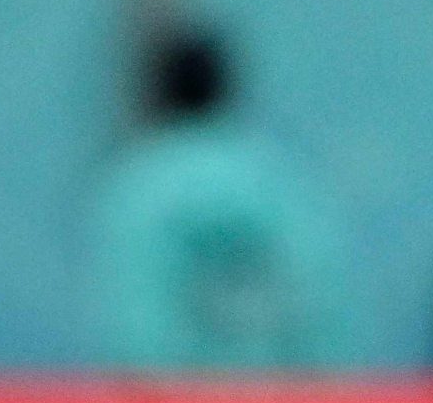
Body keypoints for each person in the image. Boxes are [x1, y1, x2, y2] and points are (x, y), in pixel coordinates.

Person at [92, 31, 352, 374]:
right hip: (275, 401)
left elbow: (132, 319)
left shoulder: (135, 188)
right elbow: (317, 297)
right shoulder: (276, 178)